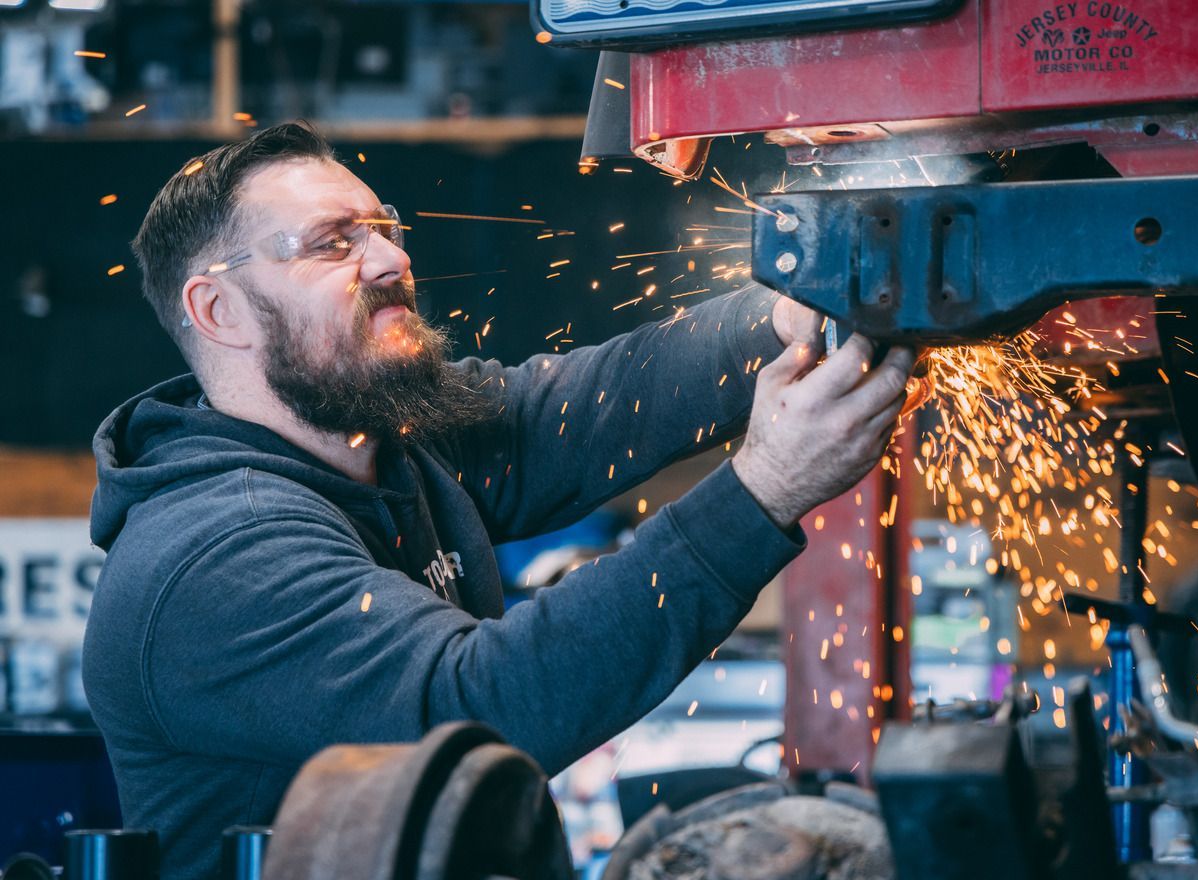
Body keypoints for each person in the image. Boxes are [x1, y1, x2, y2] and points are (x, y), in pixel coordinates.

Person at [83, 122, 916, 879]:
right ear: (218, 308)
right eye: (333, 244)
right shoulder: (216, 553)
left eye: (384, 229)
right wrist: (763, 490)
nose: (389, 261)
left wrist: (789, 313)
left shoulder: (386, 441)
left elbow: (587, 407)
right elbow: (477, 708)